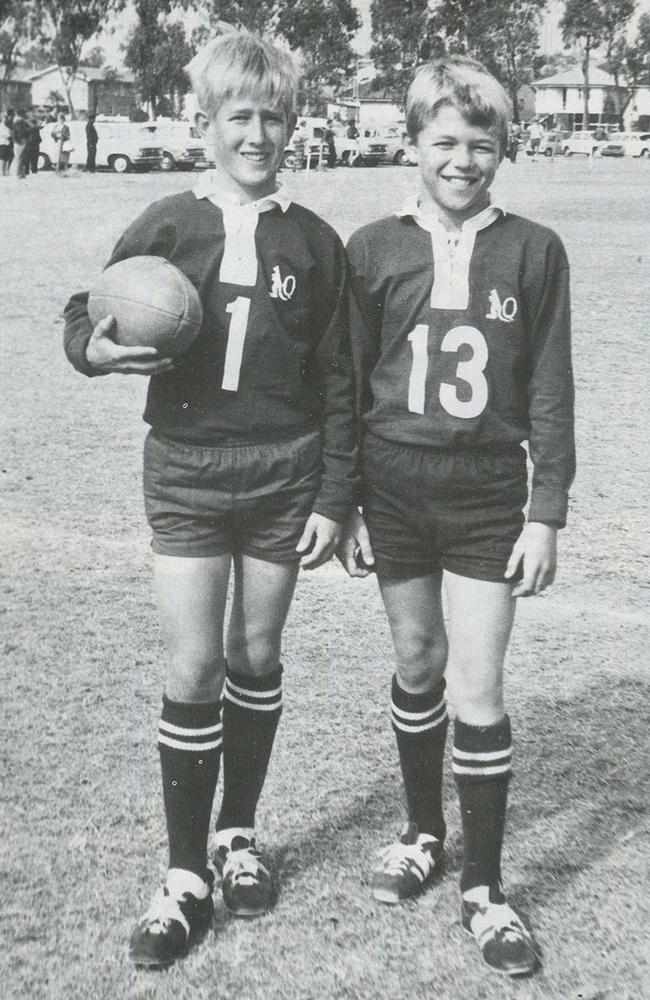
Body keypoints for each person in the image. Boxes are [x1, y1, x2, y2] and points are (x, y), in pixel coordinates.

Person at [63, 26, 356, 969]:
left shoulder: (314, 241)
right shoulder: (168, 221)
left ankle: (237, 835)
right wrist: (95, 349)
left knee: (255, 652)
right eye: (241, 117)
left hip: (285, 471)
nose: (259, 134)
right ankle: (184, 872)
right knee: (193, 666)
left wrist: (335, 495)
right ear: (206, 122)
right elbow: (86, 310)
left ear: (295, 125)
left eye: (275, 118)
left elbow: (341, 378)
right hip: (188, 466)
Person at [339, 55, 574, 978]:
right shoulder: (372, 247)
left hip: (484, 493)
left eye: (482, 143)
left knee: (478, 683)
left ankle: (484, 886)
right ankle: (421, 831)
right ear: (412, 144)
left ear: (504, 150)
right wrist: (346, 499)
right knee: (416, 660)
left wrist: (545, 508)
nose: (463, 158)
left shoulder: (535, 248)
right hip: (392, 485)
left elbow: (550, 386)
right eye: (445, 141)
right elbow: (348, 384)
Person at [11, 108, 30, 178]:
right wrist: (28, 129)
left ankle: (21, 173)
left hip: (21, 141)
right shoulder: (18, 122)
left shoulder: (19, 121)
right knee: (19, 157)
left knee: (22, 158)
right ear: (21, 114)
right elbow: (22, 131)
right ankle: (18, 173)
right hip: (19, 141)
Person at [0, 112, 12, 176]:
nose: (5, 119)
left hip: (7, 144)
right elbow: (7, 135)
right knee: (2, 159)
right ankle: (2, 172)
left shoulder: (6, 126)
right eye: (4, 118)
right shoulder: (1, 126)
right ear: (1, 118)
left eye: (6, 118)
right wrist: (10, 134)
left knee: (7, 158)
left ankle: (6, 171)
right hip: (3, 144)